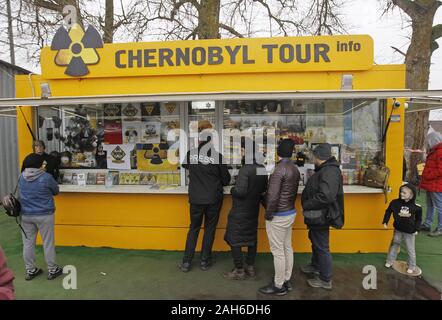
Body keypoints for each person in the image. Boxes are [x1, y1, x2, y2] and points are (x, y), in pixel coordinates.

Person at [179, 121, 231, 272]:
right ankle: (204, 261)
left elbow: (185, 166)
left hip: (196, 199)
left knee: (194, 228)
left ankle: (186, 262)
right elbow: (226, 180)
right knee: (209, 229)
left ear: (199, 140)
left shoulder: (191, 154)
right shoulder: (217, 157)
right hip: (213, 199)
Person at [259, 139, 300, 296]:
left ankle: (278, 285)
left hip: (278, 215)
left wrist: (269, 214)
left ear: (278, 152)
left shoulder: (279, 169)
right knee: (287, 247)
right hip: (290, 212)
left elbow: (273, 195)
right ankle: (286, 279)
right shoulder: (294, 168)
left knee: (278, 251)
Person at [301, 143, 344, 290]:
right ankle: (316, 266)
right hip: (318, 215)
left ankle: (325, 279)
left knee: (321, 245)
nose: (312, 158)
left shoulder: (329, 171)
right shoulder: (326, 169)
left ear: (318, 157)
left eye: (313, 156)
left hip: (321, 215)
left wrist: (307, 204)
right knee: (315, 241)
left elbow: (326, 196)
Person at [223, 138, 268, 280]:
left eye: (242, 150)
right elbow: (263, 190)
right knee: (251, 238)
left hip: (240, 210)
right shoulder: (262, 169)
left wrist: (232, 190)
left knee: (235, 238)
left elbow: (240, 192)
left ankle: (239, 270)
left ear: (245, 152)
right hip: (254, 210)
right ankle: (250, 267)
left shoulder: (245, 170)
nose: (240, 152)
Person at [19, 153, 63, 280]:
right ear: (39, 164)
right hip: (45, 215)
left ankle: (31, 270)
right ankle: (52, 269)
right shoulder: (46, 177)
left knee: (27, 243)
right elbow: (56, 191)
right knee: (48, 243)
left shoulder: (21, 177)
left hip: (26, 215)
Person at [383, 183, 422, 274]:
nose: (401, 194)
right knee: (394, 244)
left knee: (410, 249)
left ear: (411, 195)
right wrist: (385, 221)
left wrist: (416, 229)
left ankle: (411, 265)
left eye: (404, 193)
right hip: (398, 229)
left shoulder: (417, 207)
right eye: (401, 192)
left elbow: (418, 219)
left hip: (410, 231)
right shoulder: (395, 203)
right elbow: (388, 211)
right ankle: (390, 260)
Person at [419, 131, 442, 237]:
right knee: (430, 205)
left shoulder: (439, 151)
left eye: (428, 141)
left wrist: (427, 175)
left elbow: (440, 170)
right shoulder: (434, 151)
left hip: (436, 184)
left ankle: (440, 228)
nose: (427, 143)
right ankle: (427, 224)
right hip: (431, 184)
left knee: (439, 206)